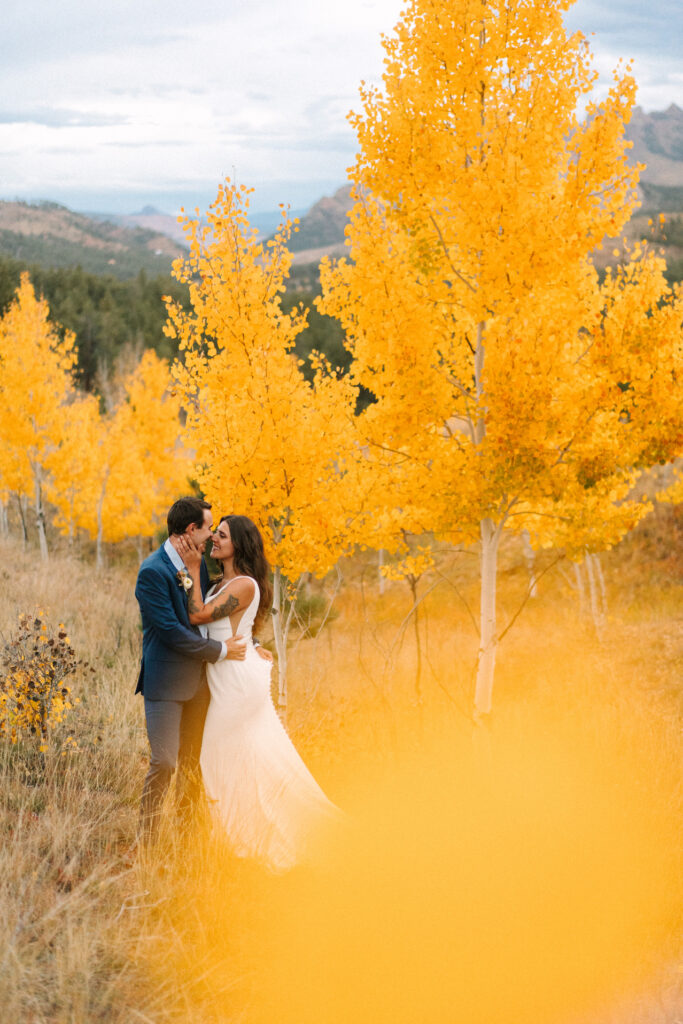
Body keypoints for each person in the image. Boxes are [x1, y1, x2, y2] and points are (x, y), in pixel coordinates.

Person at [177, 514, 340, 872]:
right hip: (226, 671)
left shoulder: (245, 584)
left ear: (240, 545)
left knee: (220, 752)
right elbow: (234, 626)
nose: (214, 540)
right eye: (215, 534)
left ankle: (245, 839)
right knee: (240, 754)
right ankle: (243, 833)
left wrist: (190, 568)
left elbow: (200, 616)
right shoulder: (223, 582)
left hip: (237, 680)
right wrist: (254, 642)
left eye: (222, 536)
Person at [134, 496, 271, 843]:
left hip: (204, 685)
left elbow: (215, 617)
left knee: (193, 765)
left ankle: (185, 837)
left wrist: (251, 646)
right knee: (165, 763)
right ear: (191, 530)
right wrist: (223, 651)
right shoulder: (153, 571)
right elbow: (172, 631)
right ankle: (146, 839)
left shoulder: (202, 568)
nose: (211, 536)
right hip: (166, 683)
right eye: (209, 528)